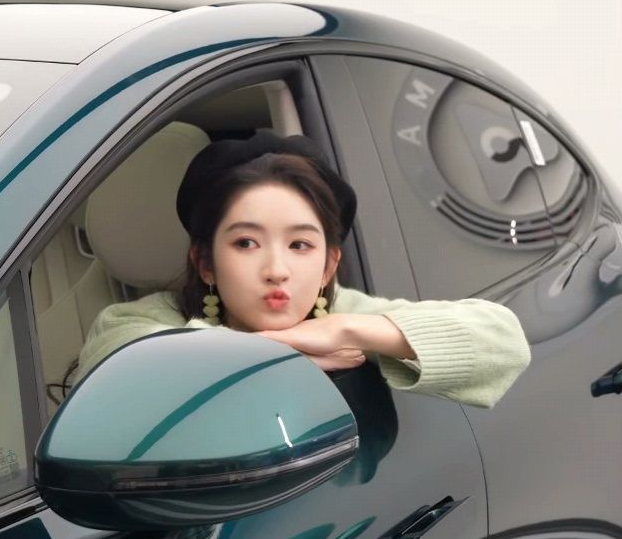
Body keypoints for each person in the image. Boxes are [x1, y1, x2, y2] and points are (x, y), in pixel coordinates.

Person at [72, 131, 532, 408]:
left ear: (329, 265)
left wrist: (343, 330)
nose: (277, 270)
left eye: (300, 245)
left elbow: (503, 340)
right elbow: (123, 373)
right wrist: (274, 353)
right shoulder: (135, 323)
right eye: (246, 243)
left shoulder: (341, 313)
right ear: (205, 262)